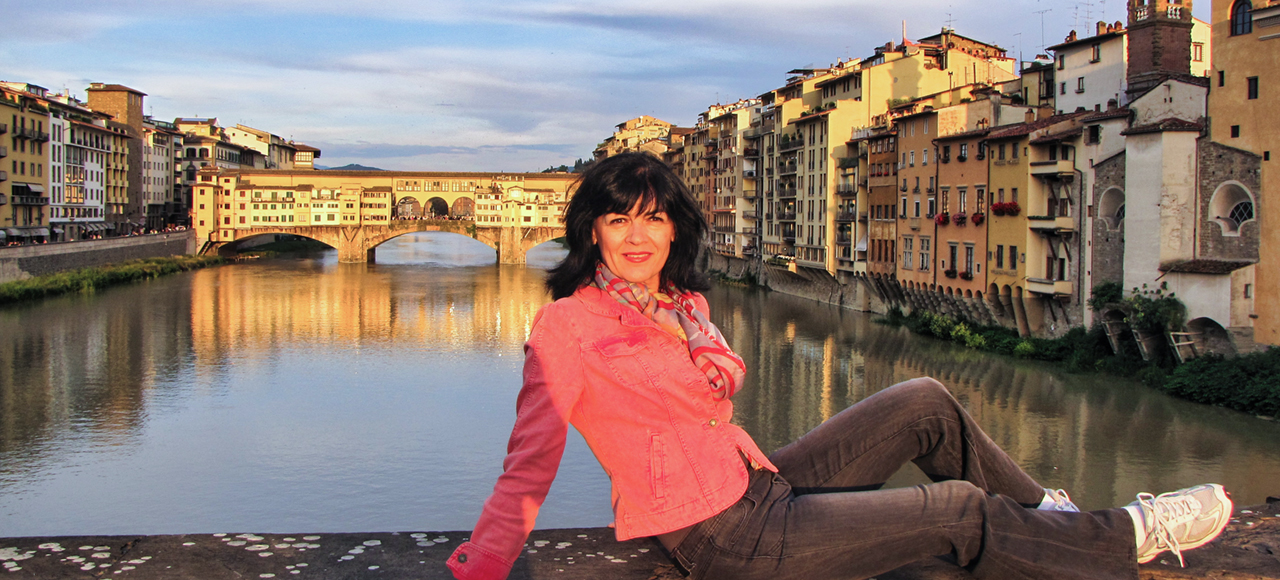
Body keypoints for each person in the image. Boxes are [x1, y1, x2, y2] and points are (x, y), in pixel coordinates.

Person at [447, 152, 1232, 580]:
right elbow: (528, 467)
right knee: (957, 511)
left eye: (652, 218)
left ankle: (1051, 520)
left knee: (924, 398)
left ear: (673, 226)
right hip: (723, 541)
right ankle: (1126, 535)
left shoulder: (681, 304)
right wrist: (483, 566)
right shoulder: (567, 326)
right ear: (592, 234)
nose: (636, 236)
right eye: (617, 220)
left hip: (759, 486)